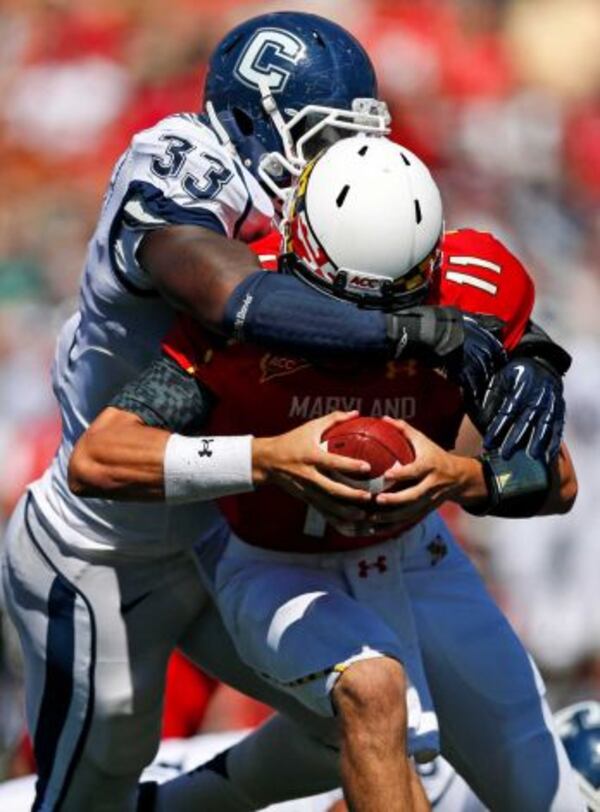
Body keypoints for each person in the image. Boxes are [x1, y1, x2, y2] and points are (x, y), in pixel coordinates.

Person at [2, 12, 525, 812]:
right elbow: (238, 300)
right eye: (323, 136)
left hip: (233, 528)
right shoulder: (181, 167)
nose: (341, 160)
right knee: (94, 777)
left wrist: (529, 356)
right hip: (111, 530)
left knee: (356, 718)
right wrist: (407, 328)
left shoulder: (316, 206)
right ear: (251, 123)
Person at [70, 136, 582, 811]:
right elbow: (97, 457)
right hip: (271, 562)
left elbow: (557, 483)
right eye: (349, 308)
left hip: (418, 557)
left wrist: (454, 476)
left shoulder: (470, 291)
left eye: (394, 307)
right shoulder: (240, 313)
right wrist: (267, 457)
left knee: (546, 795)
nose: (372, 330)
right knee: (371, 690)